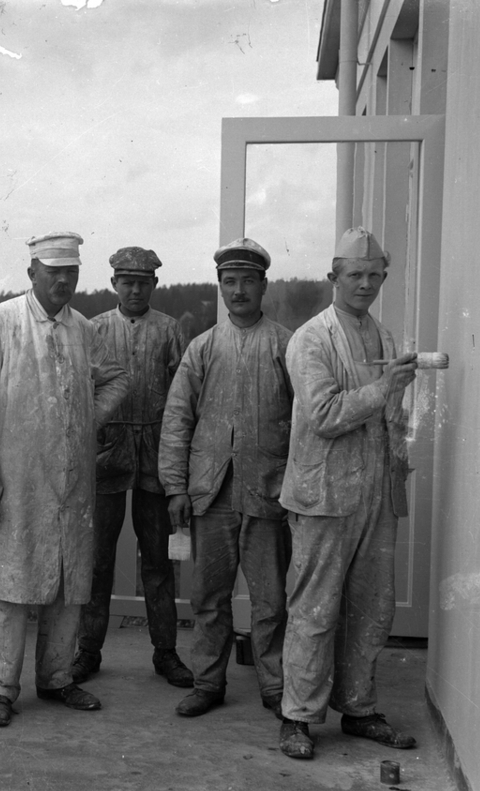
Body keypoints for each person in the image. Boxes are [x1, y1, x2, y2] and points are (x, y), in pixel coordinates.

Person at [0, 232, 129, 728]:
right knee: (10, 584)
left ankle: (56, 677)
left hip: (72, 483)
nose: (63, 281)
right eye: (54, 272)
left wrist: (86, 419)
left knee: (68, 581)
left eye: (71, 272)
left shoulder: (83, 330)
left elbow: (118, 378)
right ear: (32, 271)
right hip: (15, 480)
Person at [276, 227, 418, 760]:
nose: (365, 284)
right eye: (355, 274)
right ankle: (297, 717)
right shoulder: (310, 339)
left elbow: (392, 419)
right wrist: (385, 388)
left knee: (372, 608)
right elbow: (324, 414)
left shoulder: (385, 338)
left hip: (376, 496)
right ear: (333, 277)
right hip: (323, 497)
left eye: (375, 275)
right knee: (314, 611)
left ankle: (358, 708)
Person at [158, 238, 294, 720]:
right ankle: (207, 683)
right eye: (229, 282)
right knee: (208, 598)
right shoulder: (203, 348)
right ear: (219, 287)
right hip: (211, 494)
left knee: (270, 599)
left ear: (263, 286)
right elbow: (177, 419)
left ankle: (276, 687)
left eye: (248, 281)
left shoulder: (286, 346)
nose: (238, 291)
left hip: (268, 492)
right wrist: (176, 487)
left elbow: (304, 422)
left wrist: (293, 486)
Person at [73, 246, 191, 688]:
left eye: (143, 282)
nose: (136, 290)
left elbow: (182, 397)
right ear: (114, 284)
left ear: (154, 284)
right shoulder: (95, 329)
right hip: (107, 453)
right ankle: (87, 650)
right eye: (127, 282)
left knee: (157, 561)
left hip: (156, 455)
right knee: (98, 559)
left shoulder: (170, 329)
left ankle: (166, 652)